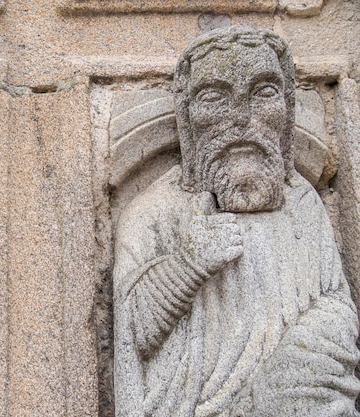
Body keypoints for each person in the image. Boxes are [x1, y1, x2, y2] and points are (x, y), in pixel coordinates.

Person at [113, 26, 360, 417]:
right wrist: (190, 262)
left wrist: (285, 379)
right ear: (187, 117)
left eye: (263, 93)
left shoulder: (303, 204)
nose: (241, 118)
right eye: (214, 98)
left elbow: (338, 306)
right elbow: (133, 334)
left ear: (287, 108)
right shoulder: (154, 213)